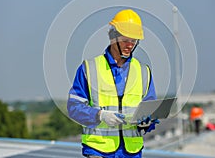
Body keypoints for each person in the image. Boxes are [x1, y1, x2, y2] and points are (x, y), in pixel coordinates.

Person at [67, 9, 159, 158]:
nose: (130, 44)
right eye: (125, 39)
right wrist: (100, 115)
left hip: (131, 152)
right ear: (113, 36)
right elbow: (74, 108)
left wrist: (147, 123)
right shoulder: (89, 69)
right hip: (98, 150)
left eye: (134, 40)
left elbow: (150, 110)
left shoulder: (143, 72)